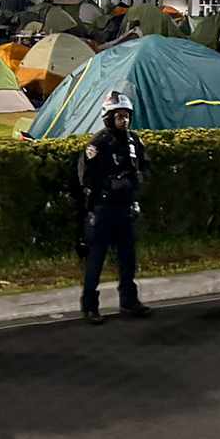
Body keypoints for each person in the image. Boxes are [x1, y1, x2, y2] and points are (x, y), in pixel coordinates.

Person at [76, 91, 151, 324]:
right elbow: (85, 176)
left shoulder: (134, 141)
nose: (124, 121)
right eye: (119, 116)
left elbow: (146, 166)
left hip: (126, 208)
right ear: (108, 118)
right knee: (96, 259)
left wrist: (136, 181)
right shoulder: (98, 144)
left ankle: (129, 301)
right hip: (104, 209)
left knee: (128, 258)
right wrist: (107, 185)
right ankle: (90, 306)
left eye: (127, 116)